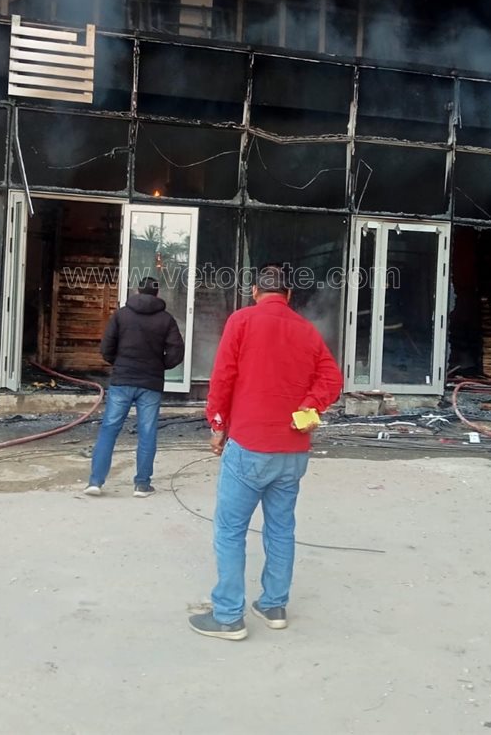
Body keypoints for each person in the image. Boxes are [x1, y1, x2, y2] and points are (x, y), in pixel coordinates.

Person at [189, 263, 343, 640]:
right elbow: (332, 379)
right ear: (288, 295)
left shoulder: (242, 321)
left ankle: (228, 616)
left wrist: (218, 425)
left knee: (230, 530)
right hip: (293, 452)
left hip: (250, 445)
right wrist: (307, 409)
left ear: (255, 292)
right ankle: (274, 605)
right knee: (281, 529)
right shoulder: (306, 330)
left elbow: (223, 376)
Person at [85, 277, 185, 498]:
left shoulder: (121, 315)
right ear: (157, 294)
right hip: (150, 383)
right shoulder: (166, 319)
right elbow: (177, 351)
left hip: (122, 380)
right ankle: (142, 485)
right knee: (147, 433)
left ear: (138, 291)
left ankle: (95, 482)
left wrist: (119, 363)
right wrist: (160, 365)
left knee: (109, 430)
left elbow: (106, 347)